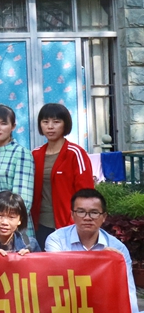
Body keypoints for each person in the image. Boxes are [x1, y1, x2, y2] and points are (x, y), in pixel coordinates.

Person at [45, 188, 144, 313]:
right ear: (72, 214)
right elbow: (59, 277)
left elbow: (128, 292)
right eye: (81, 211)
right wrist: (100, 260)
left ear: (104, 217)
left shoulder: (118, 249)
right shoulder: (56, 240)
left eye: (94, 212)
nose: (87, 217)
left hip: (102, 310)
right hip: (65, 308)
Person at [32, 103, 93, 248]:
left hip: (68, 225)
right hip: (40, 224)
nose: (50, 127)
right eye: (45, 122)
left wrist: (79, 222)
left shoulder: (75, 153)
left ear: (65, 124)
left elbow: (87, 194)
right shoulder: (35, 154)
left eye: (56, 122)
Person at [0, 104, 35, 237]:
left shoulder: (21, 153)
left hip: (14, 225)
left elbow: (23, 199)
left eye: (3, 123)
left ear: (13, 126)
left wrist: (8, 221)